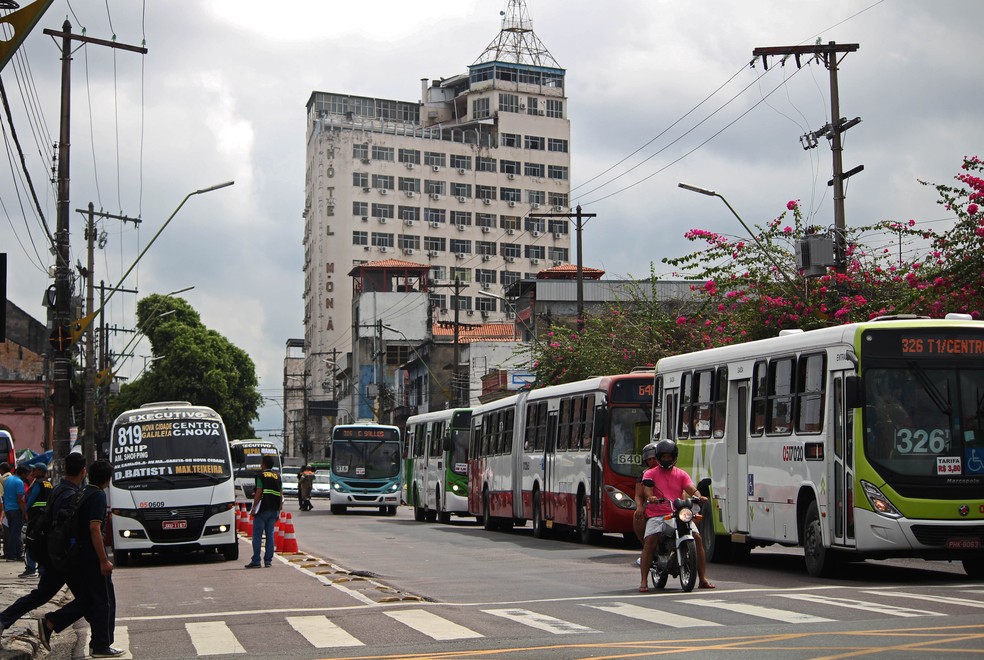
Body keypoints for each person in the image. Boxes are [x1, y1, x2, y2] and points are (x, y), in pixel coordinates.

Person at [38, 458, 123, 658]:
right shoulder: (98, 496)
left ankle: (53, 623)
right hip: (92, 557)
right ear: (107, 479)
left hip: (79, 556)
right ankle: (101, 646)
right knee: (104, 601)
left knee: (90, 600)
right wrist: (104, 560)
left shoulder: (84, 492)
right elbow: (95, 529)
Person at [0, 453, 85, 644]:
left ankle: (6, 619)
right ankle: (52, 622)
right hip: (62, 557)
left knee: (40, 595)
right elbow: (66, 528)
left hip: (52, 553)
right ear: (83, 471)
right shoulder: (68, 494)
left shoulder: (57, 489)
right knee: (89, 599)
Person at [638, 439, 715, 592]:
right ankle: (643, 581)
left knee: (697, 538)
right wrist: (651, 497)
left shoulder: (681, 474)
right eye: (664, 456)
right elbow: (647, 489)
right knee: (650, 541)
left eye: (669, 456)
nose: (667, 459)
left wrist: (699, 496)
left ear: (674, 457)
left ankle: (703, 579)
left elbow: (691, 488)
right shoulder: (650, 473)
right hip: (658, 514)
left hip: (678, 513)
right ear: (659, 457)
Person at [245, 455, 283, 568]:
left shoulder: (260, 476)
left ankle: (256, 560)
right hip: (274, 509)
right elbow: (281, 494)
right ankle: (268, 561)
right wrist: (279, 510)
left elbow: (259, 492)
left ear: (263, 464)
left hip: (262, 509)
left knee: (257, 535)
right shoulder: (277, 476)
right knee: (270, 535)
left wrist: (253, 508)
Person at [20, 463, 52, 578]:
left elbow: (32, 498)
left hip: (35, 517)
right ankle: (42, 569)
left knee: (30, 541)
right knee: (42, 543)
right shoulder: (49, 483)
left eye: (35, 470)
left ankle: (31, 568)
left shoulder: (38, 483)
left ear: (40, 471)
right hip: (45, 517)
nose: (32, 471)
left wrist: (25, 511)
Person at [632, 443, 660, 565]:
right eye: (649, 459)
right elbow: (638, 495)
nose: (652, 461)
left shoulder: (671, 471)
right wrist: (639, 506)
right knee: (637, 517)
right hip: (651, 505)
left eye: (654, 458)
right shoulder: (643, 475)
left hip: (669, 505)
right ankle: (647, 549)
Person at [2, 465, 28, 561]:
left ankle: (17, 554)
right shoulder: (19, 482)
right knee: (15, 533)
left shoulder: (8, 480)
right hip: (16, 510)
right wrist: (24, 512)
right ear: (23, 473)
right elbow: (20, 499)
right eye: (26, 474)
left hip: (8, 509)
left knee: (13, 532)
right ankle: (11, 555)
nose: (27, 476)